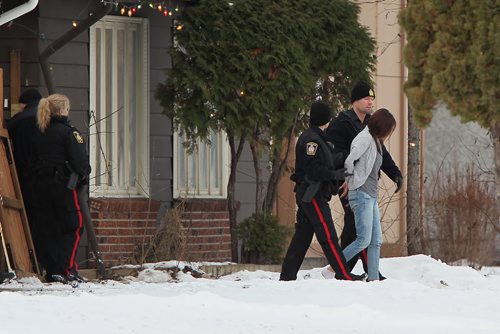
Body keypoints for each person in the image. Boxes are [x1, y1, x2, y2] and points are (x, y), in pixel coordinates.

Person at [324, 81, 403, 279]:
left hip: (369, 188)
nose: (370, 102)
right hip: (352, 186)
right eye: (366, 98)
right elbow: (336, 155)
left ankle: (364, 274)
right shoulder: (343, 123)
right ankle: (338, 270)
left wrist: (395, 173)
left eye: (372, 99)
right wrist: (345, 178)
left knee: (367, 236)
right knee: (361, 235)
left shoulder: (371, 125)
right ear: (354, 101)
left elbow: (381, 154)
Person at [280, 102, 366, 282]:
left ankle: (287, 277)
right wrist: (336, 174)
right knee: (328, 236)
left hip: (311, 194)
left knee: (302, 237)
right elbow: (314, 169)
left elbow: (326, 160)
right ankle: (343, 273)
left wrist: (343, 158)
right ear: (326, 118)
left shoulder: (318, 137)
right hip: (313, 195)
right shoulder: (312, 140)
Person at [31, 93, 90, 284]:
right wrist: (82, 175)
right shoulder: (69, 132)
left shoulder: (39, 132)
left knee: (49, 228)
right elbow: (80, 162)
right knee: (74, 225)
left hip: (41, 186)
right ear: (64, 109)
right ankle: (66, 269)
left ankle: (53, 269)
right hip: (64, 186)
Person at [342, 108, 397, 281]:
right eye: (389, 129)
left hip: (371, 195)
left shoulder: (375, 140)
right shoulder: (365, 138)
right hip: (361, 193)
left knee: (376, 240)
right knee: (363, 240)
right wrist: (351, 182)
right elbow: (349, 160)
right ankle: (332, 267)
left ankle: (374, 279)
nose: (389, 133)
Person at [7, 88, 42, 228]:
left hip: (21, 171)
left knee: (25, 214)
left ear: (23, 104)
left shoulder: (18, 120)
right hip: (45, 174)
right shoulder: (49, 119)